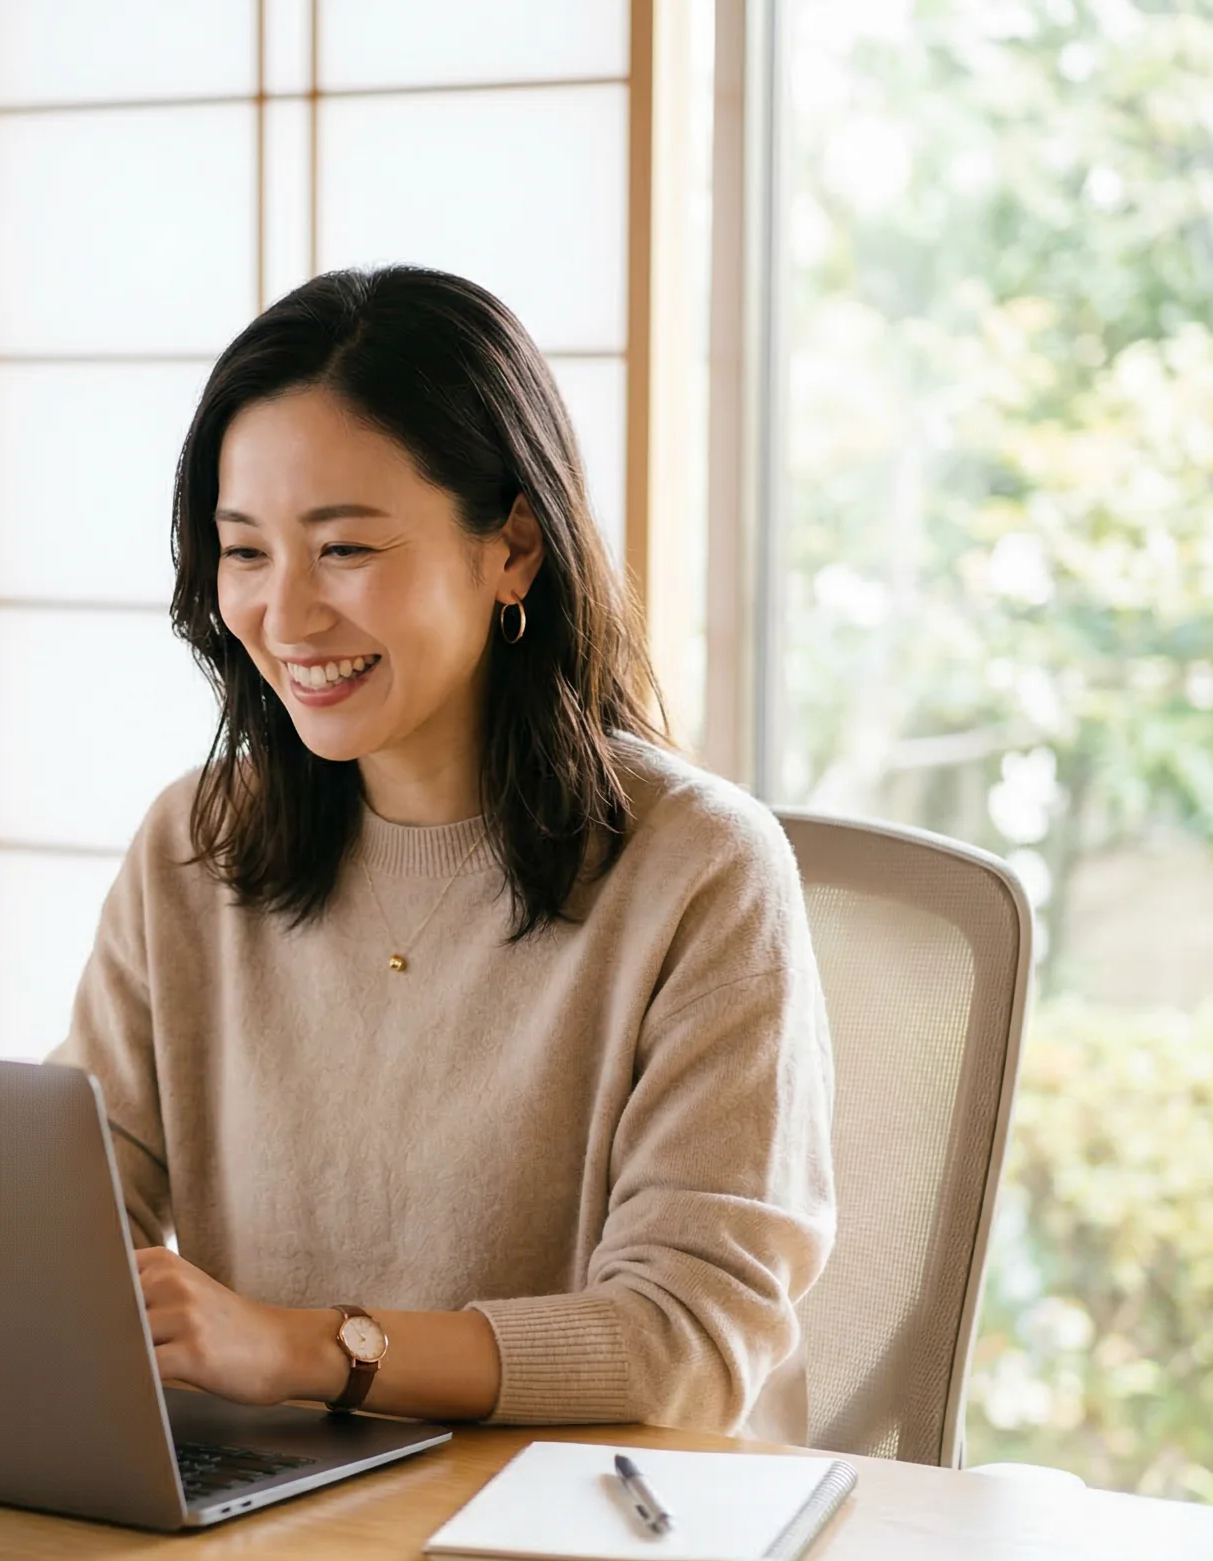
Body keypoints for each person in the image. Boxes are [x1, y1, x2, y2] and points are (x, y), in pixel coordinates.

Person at [54, 266, 835, 1442]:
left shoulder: (704, 873)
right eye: (246, 553)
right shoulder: (195, 846)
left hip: (583, 1550)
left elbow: (686, 1343)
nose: (288, 615)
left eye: (346, 549)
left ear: (512, 548)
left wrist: (306, 1348)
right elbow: (65, 1208)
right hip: (269, 1535)